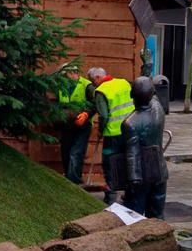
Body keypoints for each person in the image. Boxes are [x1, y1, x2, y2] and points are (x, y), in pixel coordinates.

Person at [121, 77, 168, 219]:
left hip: (141, 176)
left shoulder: (130, 123)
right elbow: (151, 91)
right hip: (160, 171)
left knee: (133, 215)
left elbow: (132, 155)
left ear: (131, 96)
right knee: (157, 214)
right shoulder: (158, 109)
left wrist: (133, 180)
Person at [87, 67, 134, 205]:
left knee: (109, 164)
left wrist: (100, 130)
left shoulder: (101, 91)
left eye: (92, 81)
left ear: (97, 78)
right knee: (128, 161)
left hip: (113, 133)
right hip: (130, 130)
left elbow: (104, 115)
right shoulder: (124, 83)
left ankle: (111, 194)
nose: (93, 85)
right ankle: (129, 193)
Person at [57, 64, 94, 184]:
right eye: (70, 72)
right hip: (67, 124)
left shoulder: (87, 85)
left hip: (82, 124)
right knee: (66, 151)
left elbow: (94, 103)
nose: (73, 74)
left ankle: (74, 181)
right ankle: (69, 179)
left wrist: (86, 114)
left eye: (75, 72)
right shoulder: (61, 85)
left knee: (76, 152)